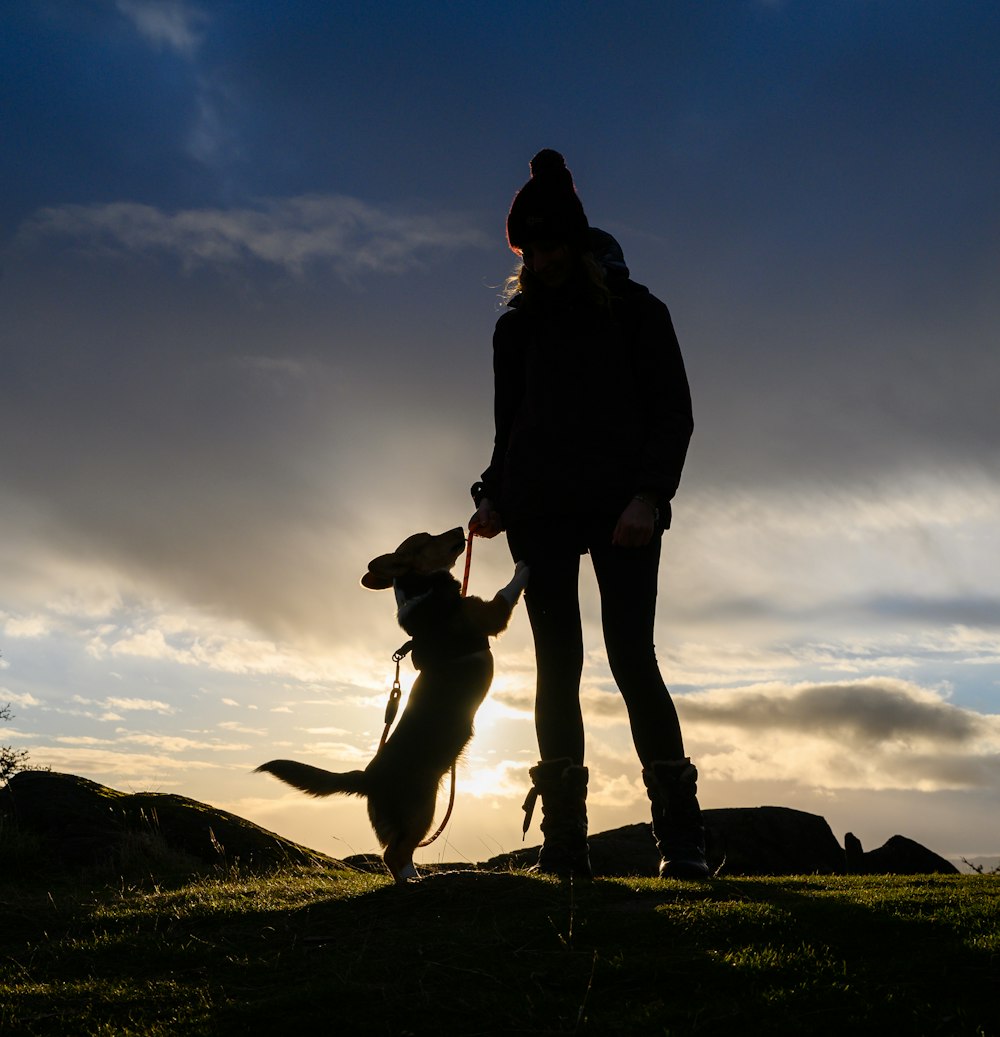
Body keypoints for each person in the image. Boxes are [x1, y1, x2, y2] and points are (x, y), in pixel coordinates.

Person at [468, 148, 709, 880]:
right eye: (529, 250)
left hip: (622, 512)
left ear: (577, 242)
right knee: (555, 668)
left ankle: (684, 844)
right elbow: (512, 428)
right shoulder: (515, 329)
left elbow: (673, 414)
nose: (539, 262)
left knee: (635, 660)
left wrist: (650, 496)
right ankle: (565, 849)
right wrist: (492, 495)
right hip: (540, 511)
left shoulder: (639, 312)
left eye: (549, 247)